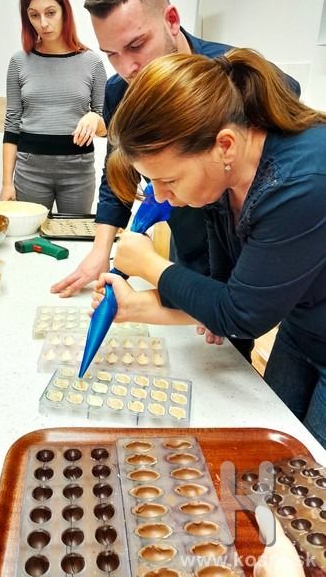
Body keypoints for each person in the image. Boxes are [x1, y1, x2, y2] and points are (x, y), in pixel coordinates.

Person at [92, 48, 326, 447]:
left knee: (309, 473)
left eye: (169, 180)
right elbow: (221, 289)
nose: (160, 197)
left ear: (225, 146)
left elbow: (240, 315)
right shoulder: (224, 177)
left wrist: (148, 264)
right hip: (303, 325)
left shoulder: (300, 184)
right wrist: (135, 307)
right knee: (270, 445)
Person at [51, 0, 300, 316]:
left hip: (251, 253)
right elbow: (117, 175)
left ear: (171, 20)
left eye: (136, 46)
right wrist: (101, 252)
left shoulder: (235, 77)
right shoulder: (119, 91)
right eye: (111, 54)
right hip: (189, 246)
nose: (128, 68)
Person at [0, 0, 107, 214]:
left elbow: (107, 128)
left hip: (78, 171)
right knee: (31, 234)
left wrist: (95, 118)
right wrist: (6, 183)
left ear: (64, 11)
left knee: (74, 232)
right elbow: (12, 124)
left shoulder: (92, 62)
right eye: (34, 15)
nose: (43, 23)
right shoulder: (19, 62)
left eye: (50, 13)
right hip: (30, 170)